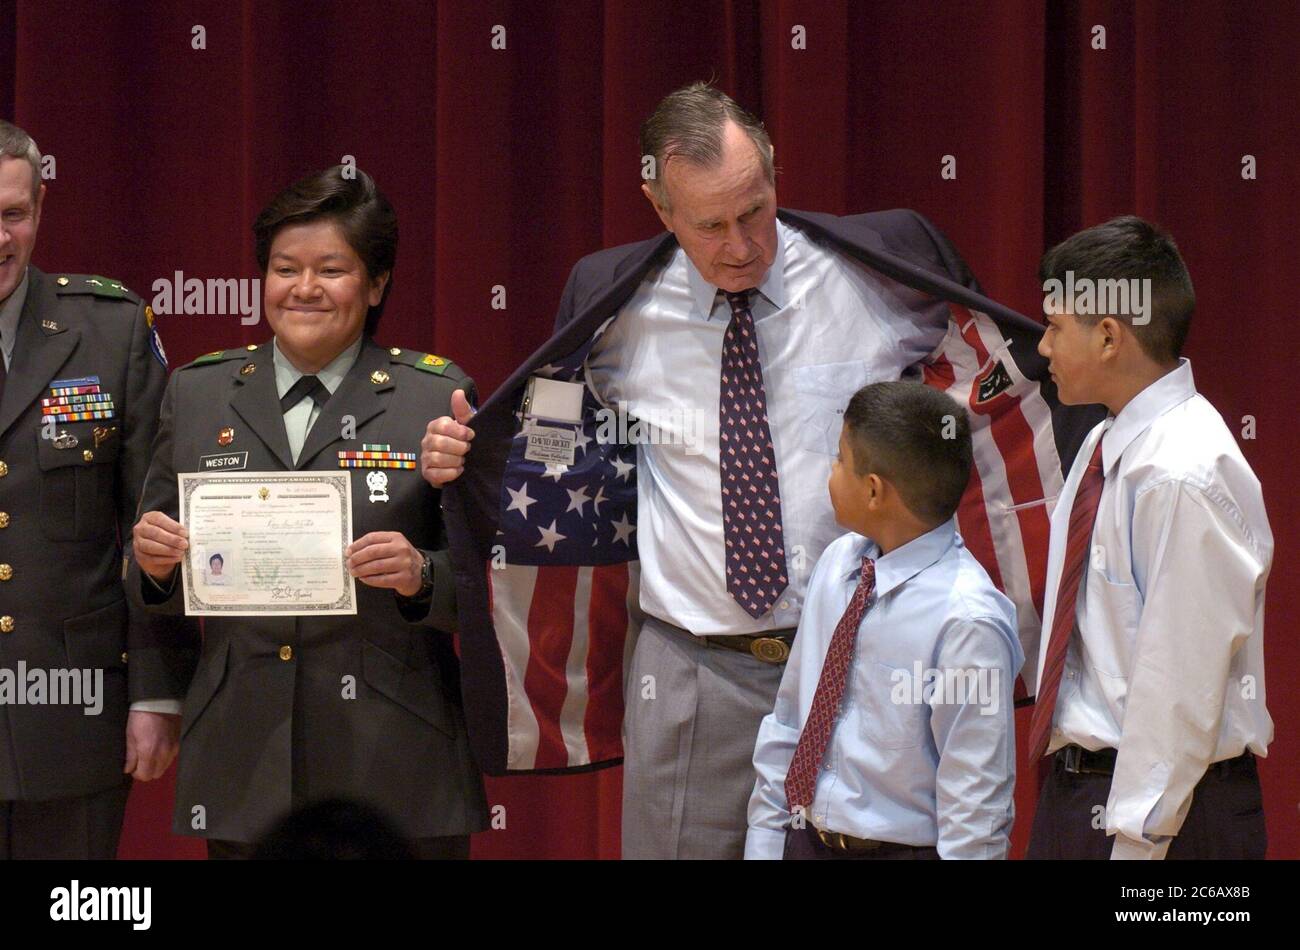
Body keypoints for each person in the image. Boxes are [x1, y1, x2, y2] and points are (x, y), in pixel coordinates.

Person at [424, 82, 1094, 859]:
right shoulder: (608, 303)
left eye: (755, 210)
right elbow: (556, 451)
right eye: (710, 225)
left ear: (774, 174)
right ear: (658, 204)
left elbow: (993, 377)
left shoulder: (880, 269)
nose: (740, 245)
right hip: (690, 673)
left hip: (862, 658)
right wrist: (474, 457)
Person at [128, 166, 488, 859]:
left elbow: (486, 581)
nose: (305, 289)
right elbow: (152, 581)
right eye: (285, 268)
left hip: (396, 750)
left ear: (376, 284)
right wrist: (150, 568)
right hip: (243, 754)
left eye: (332, 269)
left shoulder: (433, 398)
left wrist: (420, 574)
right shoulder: (197, 393)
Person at [1027, 216, 1272, 859]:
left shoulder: (1183, 472)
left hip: (1171, 820)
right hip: (1083, 796)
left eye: (1055, 327)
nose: (1042, 348)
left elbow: (1179, 685)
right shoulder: (1105, 446)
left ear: (1109, 336)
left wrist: (1137, 845)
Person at [0, 120, 193, 859]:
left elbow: (156, 518)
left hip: (74, 709)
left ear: (41, 208)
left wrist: (155, 690)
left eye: (14, 215)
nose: (0, 238)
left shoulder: (107, 329)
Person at [746, 381, 1020, 860]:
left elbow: (975, 803)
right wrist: (766, 843)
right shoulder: (837, 565)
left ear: (873, 490)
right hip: (804, 841)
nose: (829, 472)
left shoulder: (967, 620)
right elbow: (791, 719)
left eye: (839, 460)